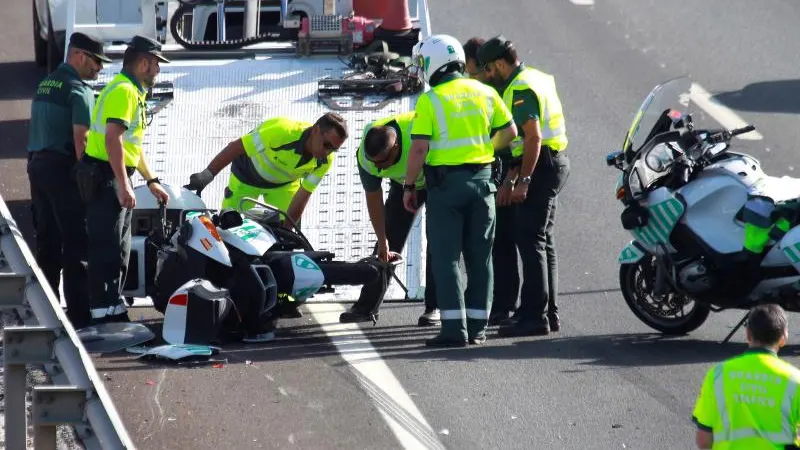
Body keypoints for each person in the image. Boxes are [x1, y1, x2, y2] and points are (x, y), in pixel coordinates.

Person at [403, 34, 518, 347]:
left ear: (432, 64)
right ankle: (478, 328)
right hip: (484, 185)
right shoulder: (483, 91)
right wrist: (485, 150)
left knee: (447, 258)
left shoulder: (431, 100)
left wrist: (409, 185)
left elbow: (418, 150)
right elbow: (510, 131)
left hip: (446, 188)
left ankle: (455, 330)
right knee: (481, 259)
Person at [477, 35, 571, 337]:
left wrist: (524, 180)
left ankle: (535, 316)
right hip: (548, 162)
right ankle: (546, 312)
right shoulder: (537, 77)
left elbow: (533, 137)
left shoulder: (519, 89)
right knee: (541, 240)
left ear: (501, 63)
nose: (488, 75)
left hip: (541, 166)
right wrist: (514, 175)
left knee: (530, 241)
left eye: (489, 69)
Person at [79, 35, 171, 324]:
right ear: (144, 62)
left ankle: (113, 308)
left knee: (119, 246)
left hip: (112, 174)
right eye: (156, 64)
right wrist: (124, 184)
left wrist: (151, 179)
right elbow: (113, 140)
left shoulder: (131, 91)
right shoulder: (124, 92)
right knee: (106, 247)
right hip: (106, 176)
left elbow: (132, 146)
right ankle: (102, 314)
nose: (158, 70)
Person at [26, 32, 110, 329]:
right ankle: (79, 316)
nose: (99, 68)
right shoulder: (78, 89)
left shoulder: (45, 84)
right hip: (63, 170)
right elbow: (82, 138)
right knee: (77, 242)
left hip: (37, 166)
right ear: (79, 55)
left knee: (47, 244)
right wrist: (90, 176)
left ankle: (44, 313)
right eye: (97, 61)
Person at [338, 111, 440, 327]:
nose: (378, 168)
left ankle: (435, 307)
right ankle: (366, 306)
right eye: (373, 162)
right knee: (388, 243)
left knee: (438, 241)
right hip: (404, 183)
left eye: (383, 162)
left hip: (436, 176)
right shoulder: (367, 160)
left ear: (395, 148)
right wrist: (382, 239)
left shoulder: (421, 135)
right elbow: (374, 200)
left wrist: (415, 185)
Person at [185, 113, 348, 229]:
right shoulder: (282, 132)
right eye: (326, 145)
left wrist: (288, 229)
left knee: (288, 230)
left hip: (283, 186)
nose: (327, 152)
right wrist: (208, 174)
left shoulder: (325, 160)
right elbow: (235, 147)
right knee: (228, 226)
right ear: (315, 131)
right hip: (246, 177)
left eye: (334, 149)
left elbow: (303, 194)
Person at [464, 36, 520, 326]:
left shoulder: (490, 91)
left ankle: (503, 305)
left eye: (471, 70)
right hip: (502, 167)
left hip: (503, 168)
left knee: (501, 241)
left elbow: (507, 133)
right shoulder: (490, 87)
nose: (469, 77)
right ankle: (505, 303)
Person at [691, 304, 800, 449]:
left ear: (748, 335)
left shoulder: (718, 375)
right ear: (783, 338)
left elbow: (704, 440)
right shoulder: (795, 380)